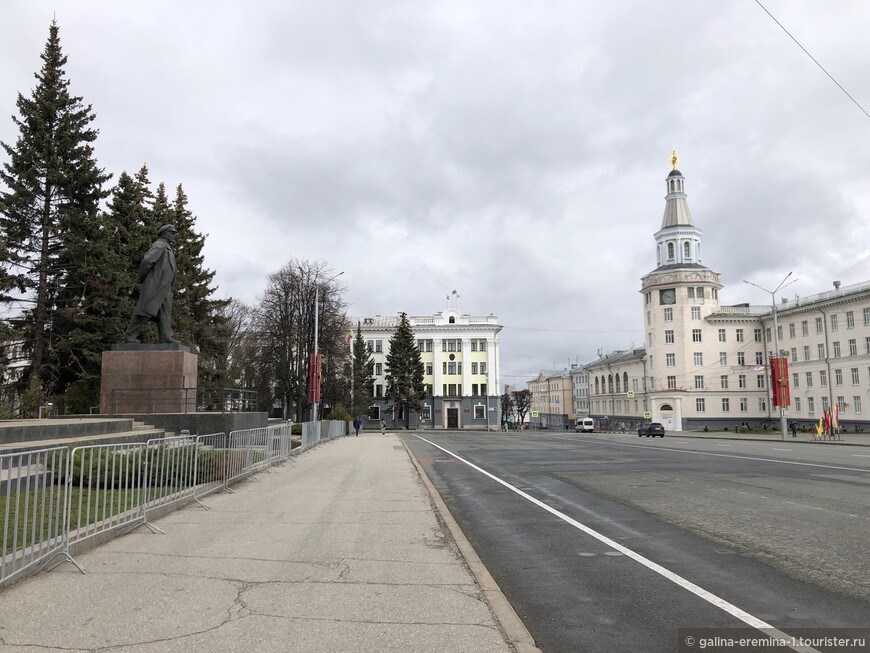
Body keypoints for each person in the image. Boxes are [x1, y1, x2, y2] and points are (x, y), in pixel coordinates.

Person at [124, 224, 180, 344]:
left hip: (165, 288)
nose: (174, 235)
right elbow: (147, 261)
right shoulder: (160, 245)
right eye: (172, 233)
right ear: (164, 233)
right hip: (155, 286)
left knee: (165, 312)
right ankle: (130, 335)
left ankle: (165, 336)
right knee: (145, 311)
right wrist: (143, 278)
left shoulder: (168, 248)